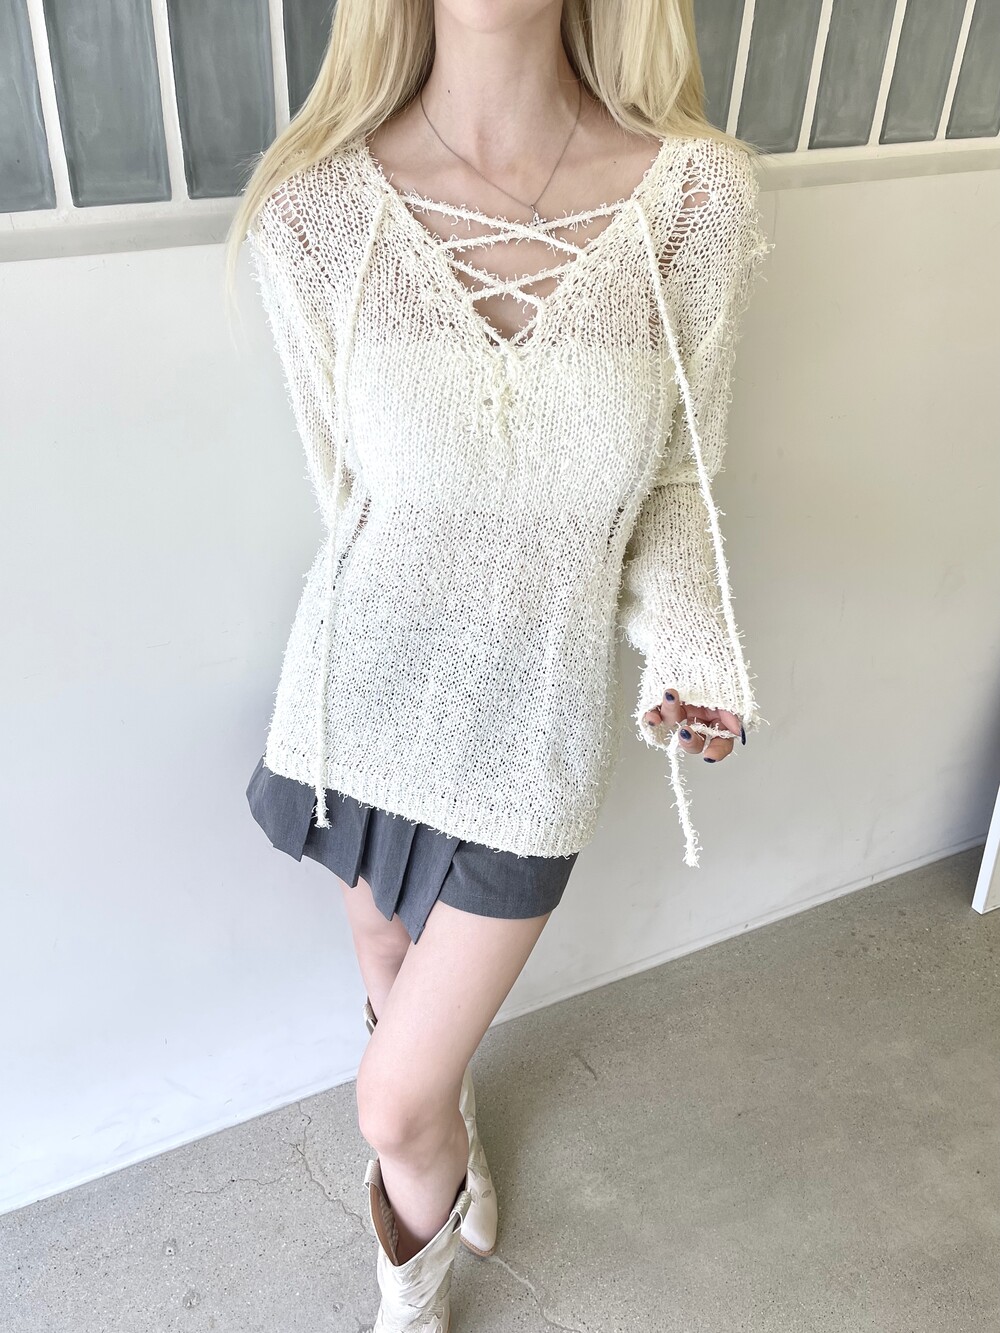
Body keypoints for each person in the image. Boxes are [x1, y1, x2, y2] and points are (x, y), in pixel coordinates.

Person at [224, 1, 771, 1326]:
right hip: (357, 702)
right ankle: (443, 1118)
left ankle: (408, 1290)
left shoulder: (696, 200)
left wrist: (690, 644)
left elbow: (678, 481)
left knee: (391, 1102)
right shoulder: (313, 213)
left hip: (534, 730)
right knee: (387, 972)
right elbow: (348, 493)